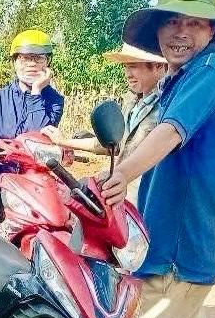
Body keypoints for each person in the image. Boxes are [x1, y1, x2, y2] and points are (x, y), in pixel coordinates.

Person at [99, 0, 215, 318]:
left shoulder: (211, 70)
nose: (181, 33)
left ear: (211, 30)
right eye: (172, 22)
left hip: (180, 248)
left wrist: (121, 176)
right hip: (184, 243)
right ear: (158, 30)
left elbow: (168, 134)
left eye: (194, 23)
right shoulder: (181, 77)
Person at [43, 43, 167, 201]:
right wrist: (63, 141)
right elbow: (114, 144)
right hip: (120, 191)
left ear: (158, 65)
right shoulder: (132, 101)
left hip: (146, 198)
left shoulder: (168, 106)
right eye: (125, 67)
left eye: (133, 66)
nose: (127, 74)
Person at [0, 29, 65, 216]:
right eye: (25, 58)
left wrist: (37, 92)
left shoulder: (55, 101)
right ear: (15, 62)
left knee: (48, 217)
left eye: (39, 58)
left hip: (30, 175)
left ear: (48, 63)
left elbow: (38, 135)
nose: (32, 64)